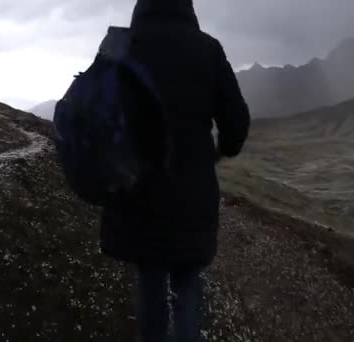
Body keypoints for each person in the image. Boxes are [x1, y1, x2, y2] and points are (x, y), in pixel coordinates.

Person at [98, 0, 251, 341]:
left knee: (151, 279)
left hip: (136, 189)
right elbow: (236, 121)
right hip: (191, 190)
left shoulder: (124, 45)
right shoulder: (207, 49)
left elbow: (97, 113)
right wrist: (223, 150)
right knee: (187, 283)